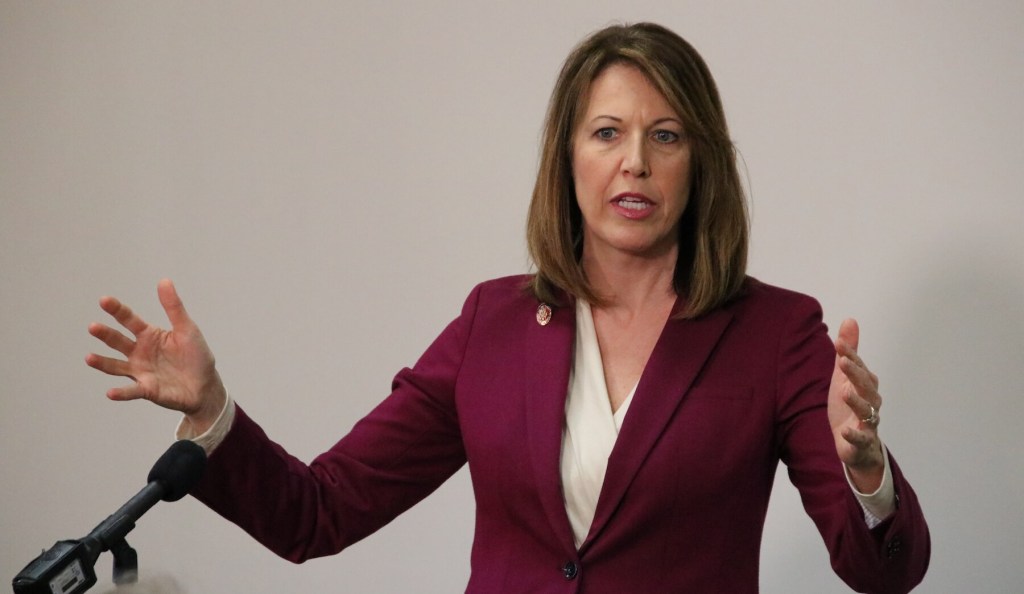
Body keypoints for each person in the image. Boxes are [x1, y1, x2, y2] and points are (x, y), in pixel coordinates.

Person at [85, 22, 929, 593]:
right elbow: (319, 511)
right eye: (607, 133)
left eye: (666, 136)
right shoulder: (491, 325)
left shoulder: (776, 335)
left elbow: (885, 573)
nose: (635, 162)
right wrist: (212, 413)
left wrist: (868, 473)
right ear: (568, 157)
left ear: (699, 163)